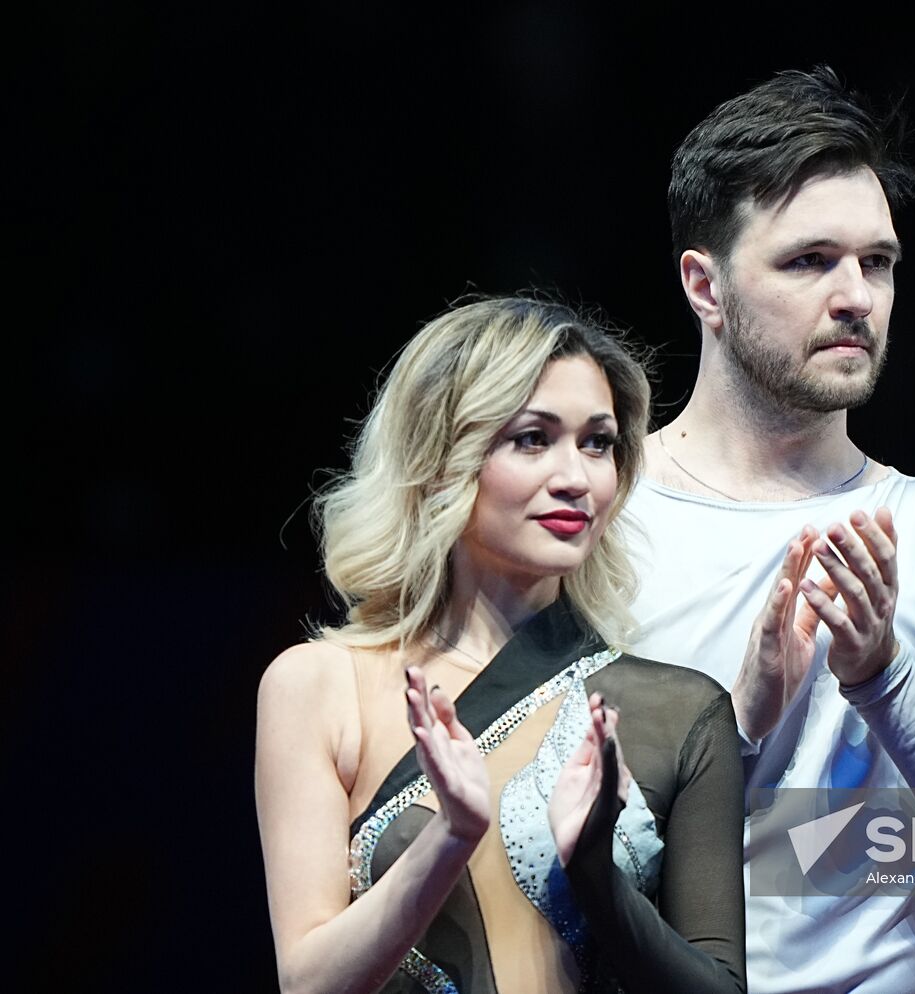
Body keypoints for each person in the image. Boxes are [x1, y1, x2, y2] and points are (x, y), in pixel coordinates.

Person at [624, 68, 915, 993]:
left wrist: (882, 679)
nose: (856, 297)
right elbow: (518, 852)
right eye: (809, 261)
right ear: (703, 286)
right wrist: (736, 729)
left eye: (876, 262)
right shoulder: (596, 515)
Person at [255, 297, 746, 994]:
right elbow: (309, 983)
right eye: (532, 439)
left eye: (598, 443)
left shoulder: (678, 710)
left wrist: (596, 876)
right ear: (439, 459)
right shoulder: (320, 686)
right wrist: (451, 836)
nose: (576, 477)